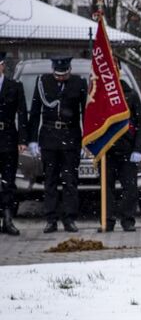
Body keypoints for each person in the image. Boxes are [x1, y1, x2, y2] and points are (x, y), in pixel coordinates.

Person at [27, 57, 87, 233]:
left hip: (71, 137)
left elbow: (85, 112)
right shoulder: (43, 82)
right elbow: (35, 111)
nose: (61, 77)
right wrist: (32, 139)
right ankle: (51, 219)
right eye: (58, 74)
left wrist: (87, 140)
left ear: (69, 70)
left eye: (64, 74)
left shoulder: (79, 83)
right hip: (49, 137)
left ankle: (69, 219)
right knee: (50, 181)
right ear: (53, 70)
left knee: (70, 182)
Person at [102, 74, 141, 232]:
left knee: (130, 187)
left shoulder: (130, 94)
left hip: (127, 148)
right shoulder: (99, 93)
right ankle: (107, 220)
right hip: (106, 149)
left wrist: (138, 149)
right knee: (107, 188)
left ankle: (127, 220)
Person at [0, 52, 28, 235]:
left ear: (3, 66)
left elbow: (22, 114)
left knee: (8, 182)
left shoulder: (14, 86)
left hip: (8, 137)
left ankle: (7, 219)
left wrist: (22, 140)